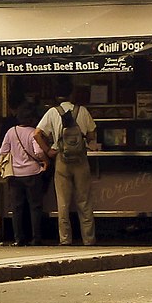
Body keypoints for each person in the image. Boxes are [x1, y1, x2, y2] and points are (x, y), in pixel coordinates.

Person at [35, 77, 98, 246]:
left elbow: (36, 134)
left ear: (56, 96)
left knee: (63, 203)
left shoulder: (52, 113)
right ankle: (89, 239)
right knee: (84, 201)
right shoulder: (82, 111)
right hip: (81, 161)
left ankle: (65, 239)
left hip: (62, 160)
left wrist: (48, 151)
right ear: (72, 93)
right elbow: (92, 135)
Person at [0, 102, 49, 246]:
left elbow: (3, 151)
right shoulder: (33, 132)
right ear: (32, 119)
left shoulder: (11, 131)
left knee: (17, 208)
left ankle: (18, 238)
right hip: (33, 173)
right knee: (35, 206)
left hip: (15, 174)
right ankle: (36, 237)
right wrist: (45, 161)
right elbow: (38, 152)